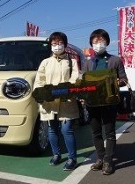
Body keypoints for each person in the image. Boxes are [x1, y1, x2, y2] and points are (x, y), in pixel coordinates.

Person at [82, 29, 128, 175]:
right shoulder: (88, 63)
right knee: (95, 132)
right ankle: (100, 158)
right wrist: (82, 93)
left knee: (109, 132)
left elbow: (124, 79)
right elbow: (84, 82)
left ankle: (108, 160)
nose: (98, 44)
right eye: (95, 41)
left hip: (109, 102)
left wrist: (115, 82)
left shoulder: (115, 60)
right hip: (92, 103)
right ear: (91, 44)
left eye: (101, 41)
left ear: (107, 42)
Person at [33, 31, 80, 171]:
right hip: (49, 102)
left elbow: (76, 78)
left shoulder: (71, 62)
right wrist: (41, 92)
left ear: (65, 45)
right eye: (54, 43)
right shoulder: (45, 62)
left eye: (59, 43)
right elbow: (39, 80)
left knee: (67, 130)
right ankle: (56, 155)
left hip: (66, 101)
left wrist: (65, 90)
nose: (57, 46)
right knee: (52, 130)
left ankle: (72, 158)